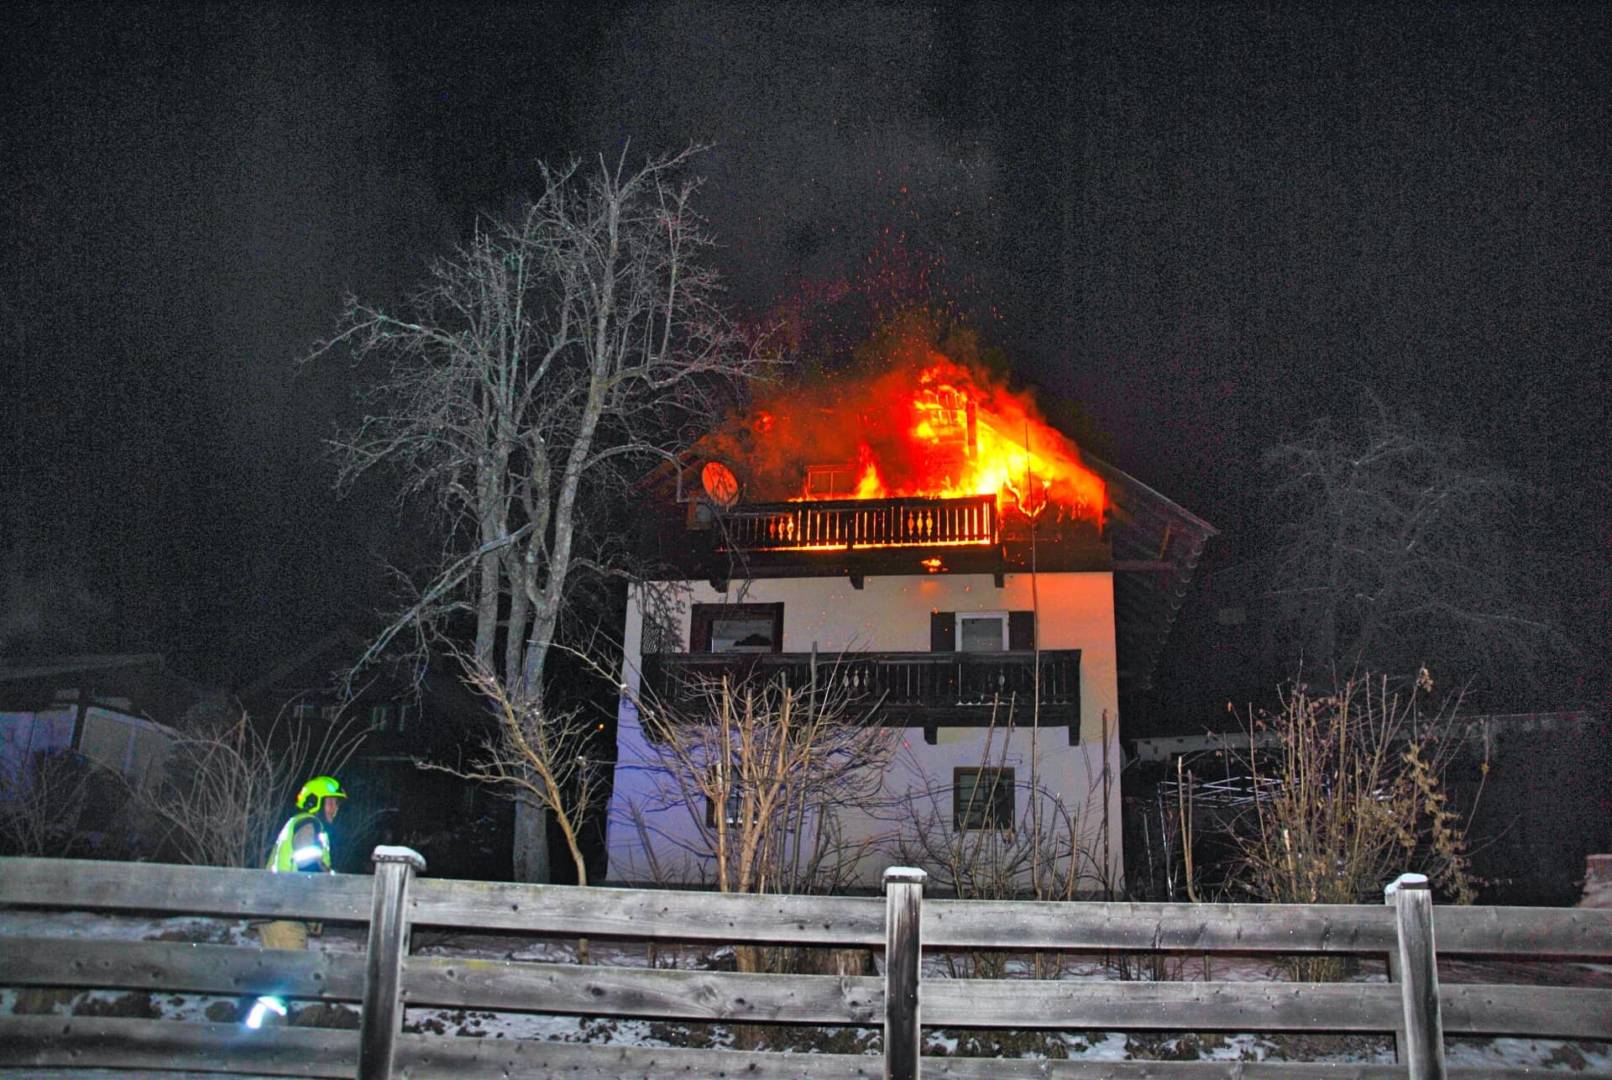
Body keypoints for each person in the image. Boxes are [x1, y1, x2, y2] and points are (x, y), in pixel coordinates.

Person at [247, 775, 346, 1029]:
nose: (335, 809)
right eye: (331, 802)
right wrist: (331, 881)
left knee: (280, 978)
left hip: (279, 910)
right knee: (286, 977)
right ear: (316, 802)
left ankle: (263, 1035)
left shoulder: (303, 825)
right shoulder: (308, 824)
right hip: (285, 913)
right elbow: (307, 864)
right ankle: (259, 1035)